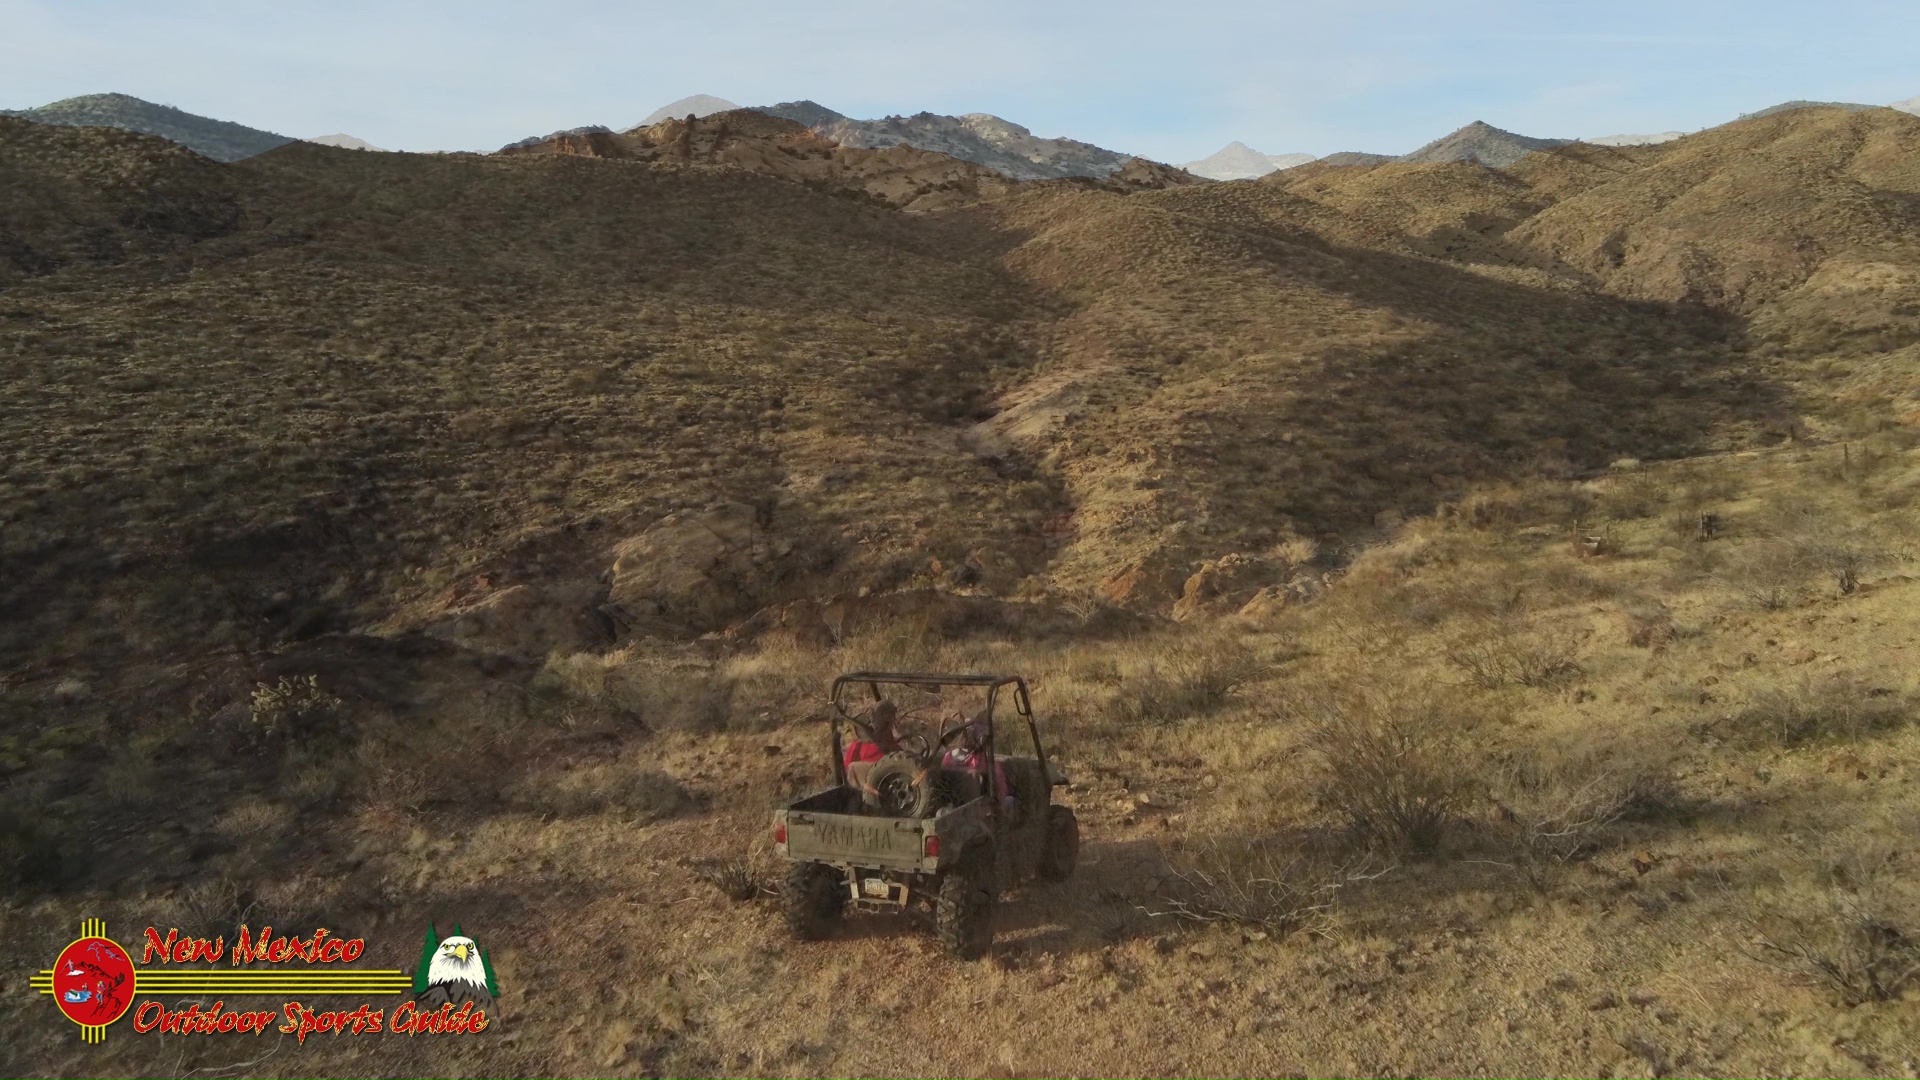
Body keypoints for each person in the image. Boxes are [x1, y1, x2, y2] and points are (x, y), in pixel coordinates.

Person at [941, 713, 1014, 812]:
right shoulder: (980, 759)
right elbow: (1000, 788)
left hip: (958, 804)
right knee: (1009, 800)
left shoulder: (948, 757)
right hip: (976, 806)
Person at [844, 701, 901, 793]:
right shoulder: (865, 738)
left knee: (852, 768)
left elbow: (894, 750)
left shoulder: (884, 734)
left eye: (889, 716)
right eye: (884, 715)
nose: (889, 720)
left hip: (885, 770)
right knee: (852, 767)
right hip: (878, 771)